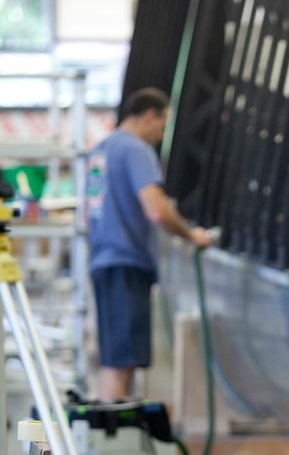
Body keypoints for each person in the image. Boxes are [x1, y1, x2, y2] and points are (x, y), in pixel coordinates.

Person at [86, 86, 213, 402]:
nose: (160, 134)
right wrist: (190, 234)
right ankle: (113, 443)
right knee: (121, 363)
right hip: (126, 263)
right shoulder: (136, 150)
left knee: (113, 358)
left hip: (103, 262)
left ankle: (109, 439)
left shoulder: (100, 150)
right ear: (147, 116)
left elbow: (87, 213)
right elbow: (156, 210)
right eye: (162, 124)